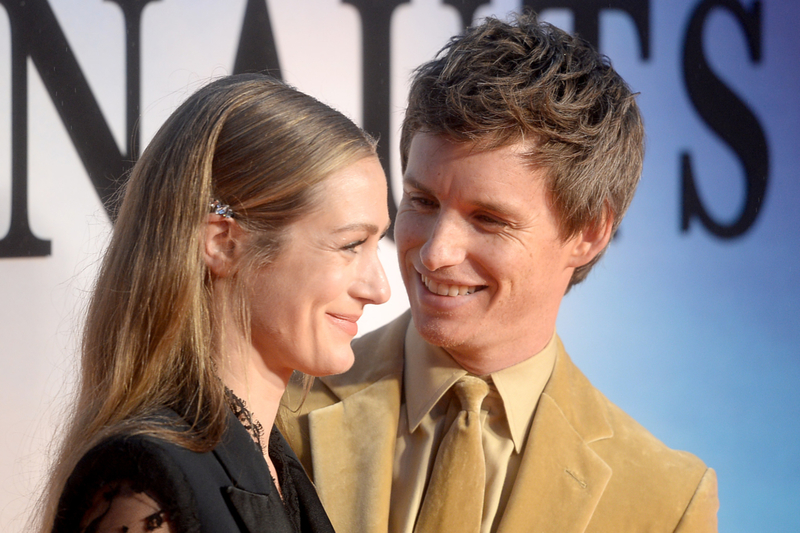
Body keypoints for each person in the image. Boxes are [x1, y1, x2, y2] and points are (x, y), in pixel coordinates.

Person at [278, 12, 719, 533]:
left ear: (590, 232)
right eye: (422, 200)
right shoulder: (274, 409)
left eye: (489, 219)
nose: (435, 252)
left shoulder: (664, 499)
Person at [36, 73, 391, 532]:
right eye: (350, 245)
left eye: (376, 242)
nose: (379, 288)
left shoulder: (280, 465)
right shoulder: (143, 485)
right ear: (223, 244)